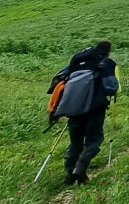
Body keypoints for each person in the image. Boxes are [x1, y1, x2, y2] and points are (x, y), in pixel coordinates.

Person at [49, 40, 117, 185]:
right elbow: (111, 88)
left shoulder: (76, 63)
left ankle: (69, 174)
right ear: (108, 51)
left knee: (75, 143)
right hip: (94, 107)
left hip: (73, 106)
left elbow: (59, 80)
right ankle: (81, 166)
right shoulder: (105, 62)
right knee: (94, 139)